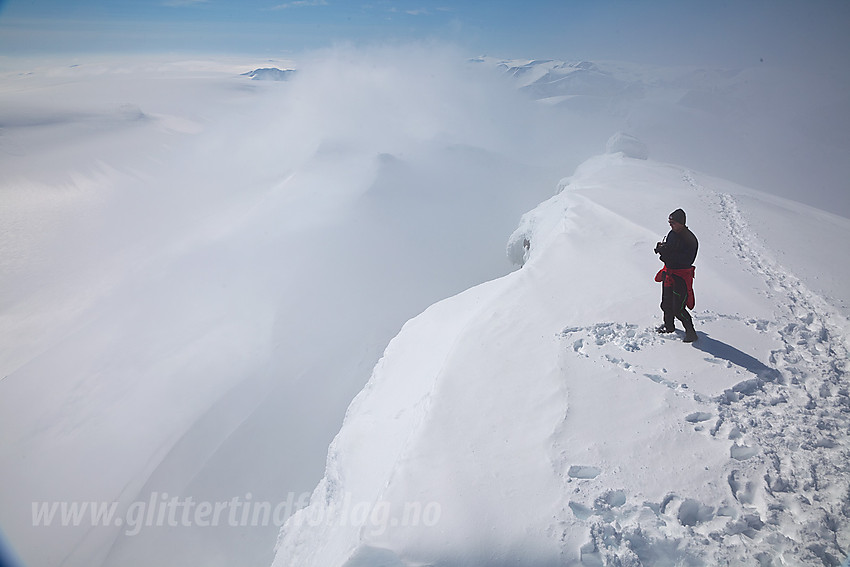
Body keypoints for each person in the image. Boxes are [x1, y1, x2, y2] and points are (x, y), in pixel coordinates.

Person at [654, 208, 698, 342]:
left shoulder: (690, 239)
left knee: (678, 308)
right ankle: (669, 327)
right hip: (668, 273)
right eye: (669, 222)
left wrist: (668, 255)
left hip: (681, 277)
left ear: (681, 223)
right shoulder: (672, 234)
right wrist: (662, 248)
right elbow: (671, 248)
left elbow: (686, 260)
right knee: (666, 304)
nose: (670, 225)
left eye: (672, 222)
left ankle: (691, 333)